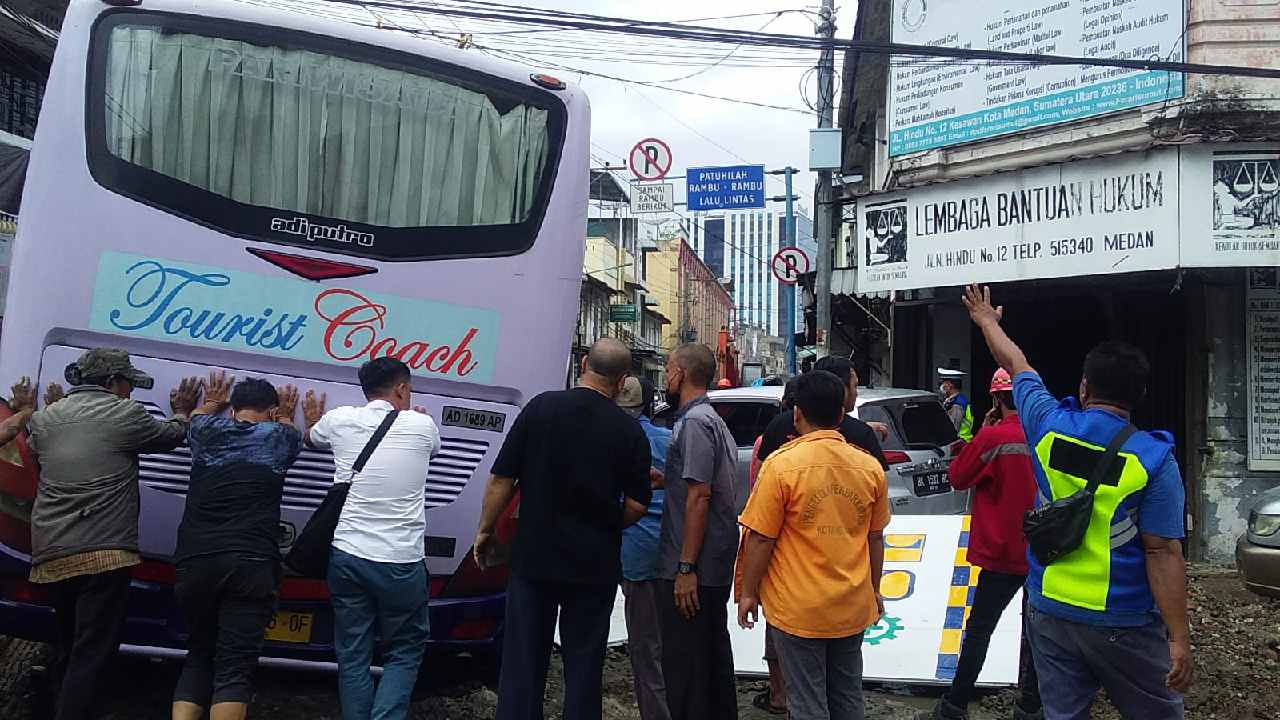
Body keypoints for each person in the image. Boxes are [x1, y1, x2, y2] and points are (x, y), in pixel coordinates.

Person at [963, 285, 1192, 720]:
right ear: (1139, 395)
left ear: (1084, 387)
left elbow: (1016, 363)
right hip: (1123, 620)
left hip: (1050, 611)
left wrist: (988, 321)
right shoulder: (1154, 459)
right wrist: (1178, 637)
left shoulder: (1047, 426)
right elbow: (1163, 551)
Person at [474, 338, 651, 720]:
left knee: (523, 660)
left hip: (534, 556)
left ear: (584, 363)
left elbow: (501, 479)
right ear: (622, 381)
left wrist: (485, 530)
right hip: (594, 564)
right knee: (585, 664)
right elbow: (637, 503)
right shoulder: (628, 431)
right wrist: (605, 523)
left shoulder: (541, 408)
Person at [27, 348, 200, 720]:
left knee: (69, 644)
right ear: (111, 383)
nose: (130, 393)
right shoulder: (124, 413)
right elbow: (171, 436)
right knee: (93, 653)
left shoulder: (45, 418)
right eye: (128, 385)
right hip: (104, 554)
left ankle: (58, 708)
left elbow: (37, 452)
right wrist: (184, 411)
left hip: (51, 553)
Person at [737, 370, 890, 720]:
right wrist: (874, 589)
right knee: (847, 696)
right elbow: (875, 536)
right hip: (851, 603)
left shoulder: (780, 466)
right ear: (841, 415)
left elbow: (761, 537)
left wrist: (749, 591)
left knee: (807, 703)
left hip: (798, 608)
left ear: (797, 414)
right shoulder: (868, 468)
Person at [306, 357, 439, 720]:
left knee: (352, 653)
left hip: (347, 555)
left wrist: (311, 419)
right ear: (401, 389)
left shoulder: (339, 419)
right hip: (400, 562)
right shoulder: (423, 425)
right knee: (406, 649)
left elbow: (310, 437)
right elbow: (430, 449)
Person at [171, 372, 304, 720]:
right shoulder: (280, 437)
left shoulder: (205, 430)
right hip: (251, 561)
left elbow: (196, 416)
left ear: (233, 410)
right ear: (271, 410)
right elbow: (293, 432)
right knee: (233, 668)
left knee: (198, 654)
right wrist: (287, 415)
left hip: (195, 558)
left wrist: (210, 403)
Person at [917, 369, 1041, 720]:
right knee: (1037, 635)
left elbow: (958, 477)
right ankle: (1030, 706)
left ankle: (955, 705)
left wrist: (984, 433)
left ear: (997, 399)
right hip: (1043, 552)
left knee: (979, 631)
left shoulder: (994, 438)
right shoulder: (1045, 435)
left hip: (1001, 553)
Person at [657, 342, 740, 720]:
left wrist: (686, 568)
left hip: (697, 566)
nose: (666, 375)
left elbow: (700, 496)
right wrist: (665, 479)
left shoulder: (694, 422)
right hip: (711, 561)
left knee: (688, 668)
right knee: (709, 660)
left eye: (669, 368)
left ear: (682, 374)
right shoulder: (710, 418)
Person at [617, 376, 673, 720]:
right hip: (670, 550)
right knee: (670, 643)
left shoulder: (612, 441)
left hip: (635, 552)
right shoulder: (669, 440)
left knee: (645, 647)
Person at [757, 356, 889, 470]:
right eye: (854, 386)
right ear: (841, 387)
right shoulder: (861, 434)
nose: (856, 392)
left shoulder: (778, 425)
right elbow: (878, 485)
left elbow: (761, 476)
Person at [939, 369, 974, 442]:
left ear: (949, 385)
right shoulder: (953, 400)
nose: (941, 386)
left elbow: (953, 430)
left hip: (960, 444)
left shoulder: (957, 404)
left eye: (942, 383)